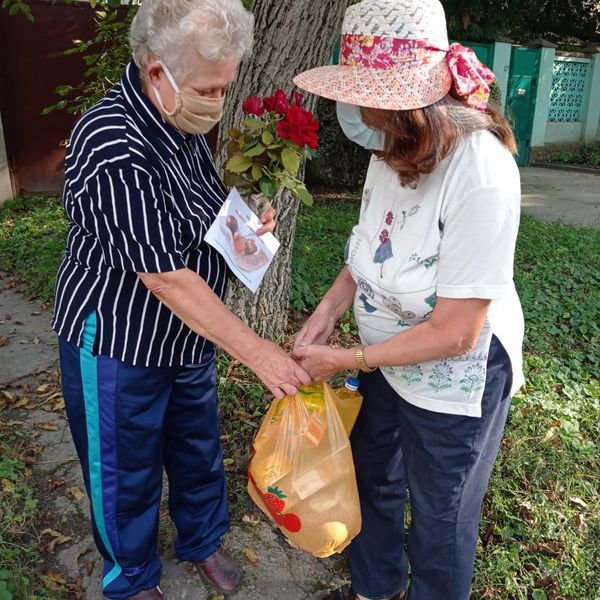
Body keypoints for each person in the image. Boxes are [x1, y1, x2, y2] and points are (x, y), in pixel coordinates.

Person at [52, 0, 311, 598]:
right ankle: (132, 574)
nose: (217, 102)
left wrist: (247, 220)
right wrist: (258, 352)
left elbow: (200, 208)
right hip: (120, 337)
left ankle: (201, 540)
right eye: (208, 88)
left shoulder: (180, 120)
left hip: (189, 335)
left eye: (224, 88)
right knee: (124, 467)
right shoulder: (109, 141)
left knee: (198, 449)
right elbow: (163, 275)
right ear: (156, 72)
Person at [291, 1, 525, 599]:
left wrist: (346, 362)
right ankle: (374, 586)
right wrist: (324, 318)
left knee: (441, 514)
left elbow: (456, 332)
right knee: (372, 477)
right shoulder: (391, 148)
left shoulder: (482, 170)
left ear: (408, 102)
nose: (355, 109)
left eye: (365, 94)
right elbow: (367, 252)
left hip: (455, 373)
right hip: (384, 358)